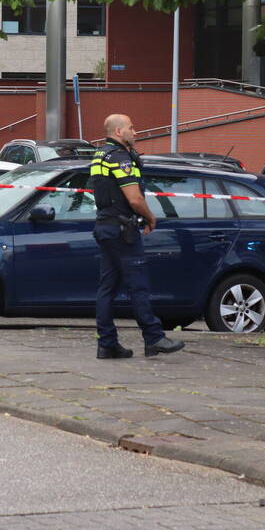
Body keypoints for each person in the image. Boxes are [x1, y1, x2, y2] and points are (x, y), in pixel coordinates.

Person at [90, 114, 185, 359]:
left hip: (105, 226)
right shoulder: (121, 158)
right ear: (119, 131)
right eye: (132, 128)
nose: (136, 131)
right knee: (139, 285)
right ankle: (154, 338)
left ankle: (107, 343)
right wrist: (151, 216)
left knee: (107, 287)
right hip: (123, 230)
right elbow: (134, 198)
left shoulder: (100, 155)